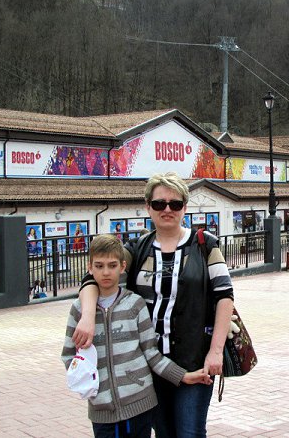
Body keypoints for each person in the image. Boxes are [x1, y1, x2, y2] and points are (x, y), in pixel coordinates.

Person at [72, 172, 234, 438]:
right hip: (148, 362)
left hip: (194, 358)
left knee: (190, 432)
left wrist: (215, 351)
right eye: (159, 203)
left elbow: (224, 296)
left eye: (175, 204)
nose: (167, 209)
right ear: (148, 207)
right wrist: (87, 316)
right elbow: (93, 278)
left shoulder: (205, 245)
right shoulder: (137, 248)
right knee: (164, 432)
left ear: (185, 207)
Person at [62, 234, 212, 438]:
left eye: (112, 265)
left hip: (140, 407)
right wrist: (88, 383)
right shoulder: (79, 310)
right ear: (90, 267)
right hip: (102, 412)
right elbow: (69, 355)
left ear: (123, 266)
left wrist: (183, 376)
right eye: (99, 266)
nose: (106, 272)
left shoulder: (135, 304)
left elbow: (152, 354)